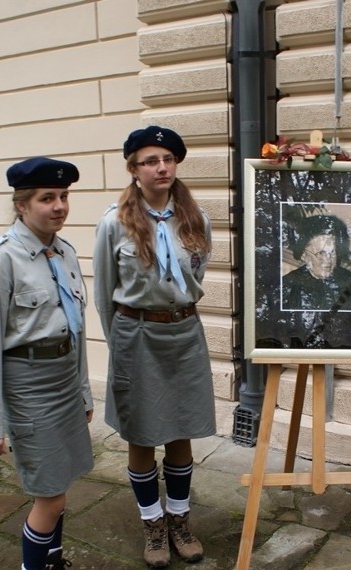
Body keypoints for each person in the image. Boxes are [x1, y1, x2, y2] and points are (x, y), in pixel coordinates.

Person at [93, 126, 216, 568]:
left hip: (183, 334)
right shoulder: (114, 222)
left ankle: (180, 520)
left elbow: (198, 273)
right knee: (142, 434)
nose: (160, 167)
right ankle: (154, 526)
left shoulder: (195, 218)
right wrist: (123, 344)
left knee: (182, 429)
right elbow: (105, 292)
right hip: (136, 335)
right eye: (149, 160)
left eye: (167, 158)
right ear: (133, 168)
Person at [0, 156, 94, 570]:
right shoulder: (2, 257)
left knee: (61, 482)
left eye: (63, 196)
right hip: (28, 385)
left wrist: (82, 390)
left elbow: (75, 331)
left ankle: (52, 561)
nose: (59, 205)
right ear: (21, 205)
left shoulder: (65, 253)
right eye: (47, 198)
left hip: (63, 380)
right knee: (50, 493)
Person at [281, 213, 351, 311]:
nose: (328, 259)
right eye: (320, 253)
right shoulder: (288, 284)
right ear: (304, 255)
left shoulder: (350, 280)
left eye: (332, 252)